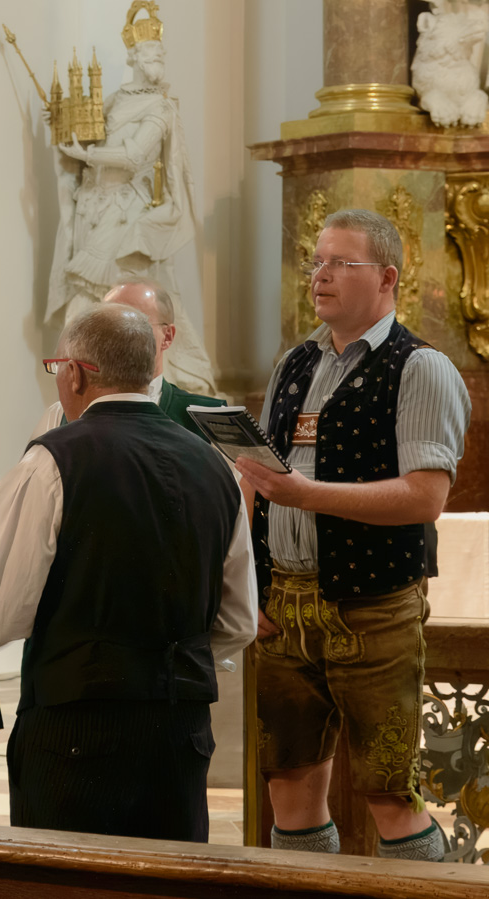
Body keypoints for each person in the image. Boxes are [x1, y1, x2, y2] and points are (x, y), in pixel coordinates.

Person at [0, 304, 257, 842]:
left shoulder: (50, 461)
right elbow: (238, 622)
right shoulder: (216, 467)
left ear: (74, 373)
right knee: (166, 883)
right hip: (179, 730)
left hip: (77, 728)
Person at [235, 208, 471, 862]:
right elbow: (259, 480)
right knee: (289, 780)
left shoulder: (420, 367)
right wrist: (247, 585)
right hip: (284, 606)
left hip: (374, 610)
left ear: (388, 277)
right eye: (317, 260)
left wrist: (304, 494)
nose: (321, 274)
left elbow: (427, 496)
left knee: (389, 791)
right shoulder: (295, 362)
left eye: (342, 262)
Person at [46, 2, 216, 395]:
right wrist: (63, 124)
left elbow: (135, 155)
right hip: (96, 208)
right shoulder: (117, 100)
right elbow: (88, 131)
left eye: (161, 54)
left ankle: (163, 378)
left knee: (129, 302)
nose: (159, 61)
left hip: (126, 215)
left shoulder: (160, 107)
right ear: (135, 56)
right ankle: (79, 376)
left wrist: (85, 155)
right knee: (90, 296)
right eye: (151, 54)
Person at [31, 278, 225, 440]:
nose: (117, 337)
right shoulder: (59, 415)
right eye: (106, 325)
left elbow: (232, 486)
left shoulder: (210, 416)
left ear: (167, 337)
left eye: (135, 324)